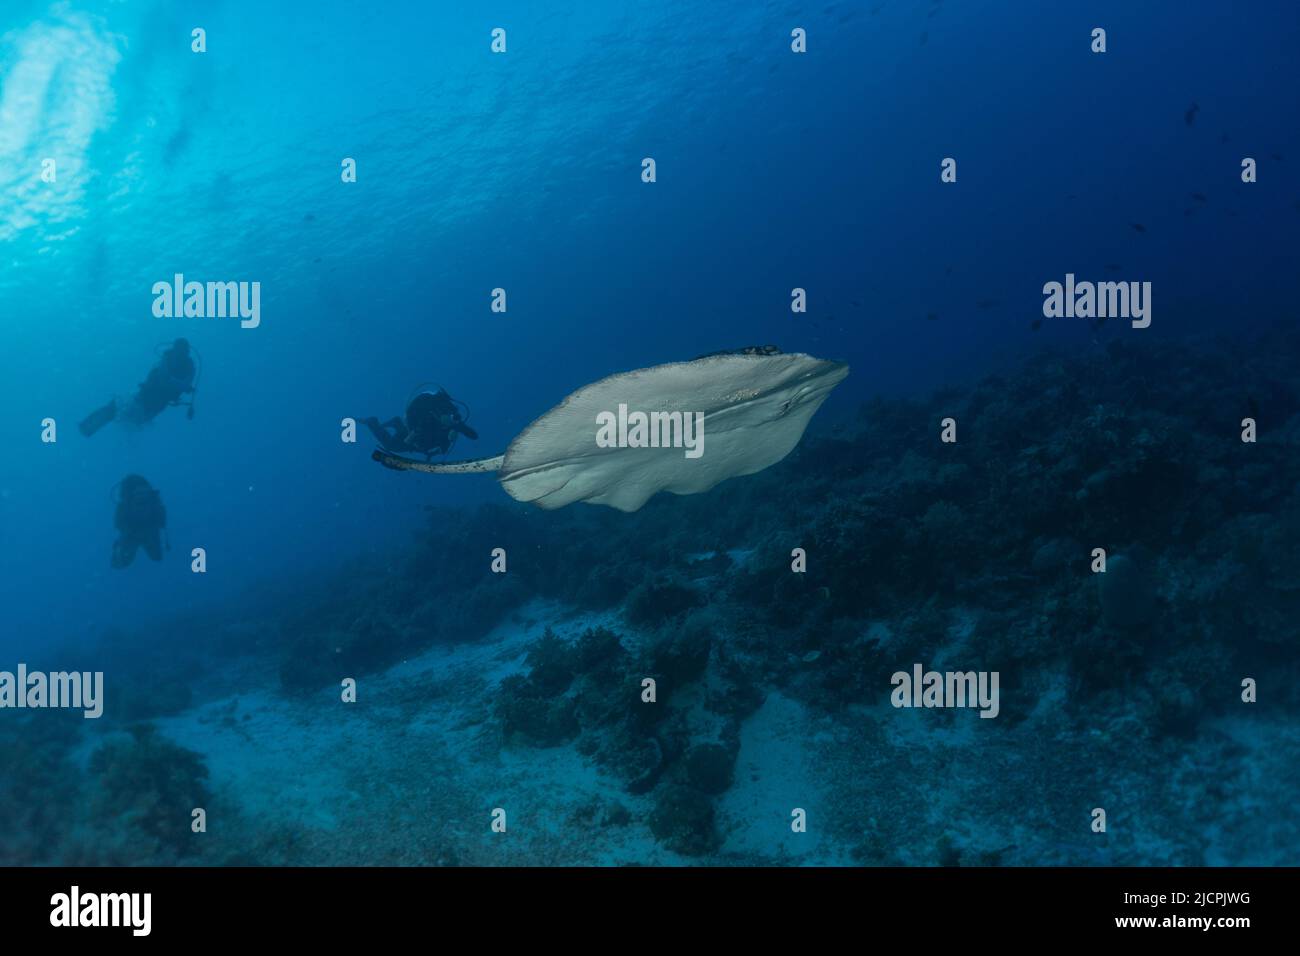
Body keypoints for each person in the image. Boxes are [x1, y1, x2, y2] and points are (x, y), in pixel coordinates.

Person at [80, 339, 198, 437]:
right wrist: (175, 382)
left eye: (182, 351)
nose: (179, 354)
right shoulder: (167, 357)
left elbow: (183, 384)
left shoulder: (188, 366)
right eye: (178, 350)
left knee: (132, 417)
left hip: (156, 401)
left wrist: (172, 381)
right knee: (124, 411)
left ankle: (118, 434)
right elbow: (165, 376)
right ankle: (101, 425)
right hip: (148, 395)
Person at [362, 387, 478, 459]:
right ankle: (372, 423)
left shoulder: (452, 421)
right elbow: (410, 439)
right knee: (391, 446)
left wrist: (457, 427)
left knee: (407, 440)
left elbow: (473, 436)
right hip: (412, 434)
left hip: (420, 437)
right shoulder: (426, 419)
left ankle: (397, 423)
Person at [111, 475, 168, 569]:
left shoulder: (153, 501)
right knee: (121, 563)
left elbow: (161, 518)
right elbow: (119, 523)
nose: (141, 497)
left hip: (148, 530)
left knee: (157, 557)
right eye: (138, 494)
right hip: (131, 533)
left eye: (143, 494)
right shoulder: (125, 505)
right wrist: (127, 531)